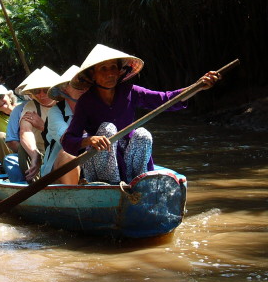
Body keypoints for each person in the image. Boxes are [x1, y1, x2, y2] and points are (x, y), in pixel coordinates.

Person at [61, 44, 221, 185]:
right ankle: (113, 184)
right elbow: (68, 140)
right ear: (92, 75)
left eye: (113, 68)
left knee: (143, 134)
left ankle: (139, 181)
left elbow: (166, 99)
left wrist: (198, 86)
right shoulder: (86, 102)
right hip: (100, 164)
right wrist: (89, 140)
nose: (110, 73)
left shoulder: (130, 91)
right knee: (107, 129)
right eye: (103, 68)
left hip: (128, 160)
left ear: (119, 72)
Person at [3, 66, 60, 183]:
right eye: (36, 91)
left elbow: (68, 137)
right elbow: (25, 131)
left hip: (60, 153)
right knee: (10, 161)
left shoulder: (64, 104)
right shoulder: (31, 107)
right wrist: (34, 155)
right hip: (39, 153)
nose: (41, 95)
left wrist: (43, 127)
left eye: (46, 90)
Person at [40, 65, 86, 184]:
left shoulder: (95, 107)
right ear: (65, 89)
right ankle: (72, 199)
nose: (82, 87)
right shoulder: (56, 112)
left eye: (85, 82)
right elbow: (69, 140)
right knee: (67, 154)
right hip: (55, 172)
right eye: (76, 83)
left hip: (88, 168)